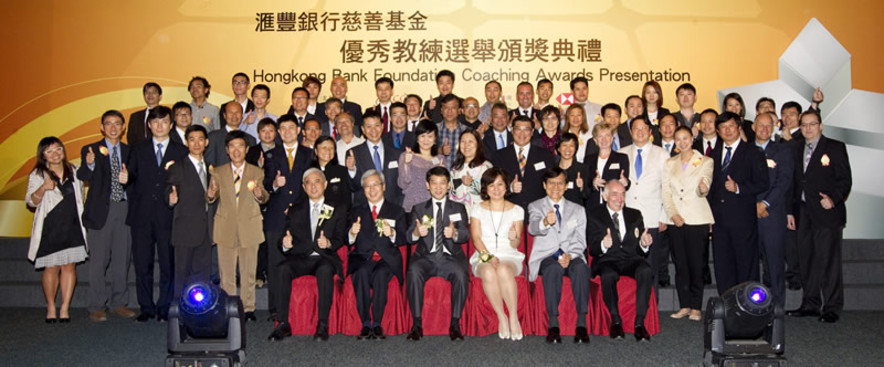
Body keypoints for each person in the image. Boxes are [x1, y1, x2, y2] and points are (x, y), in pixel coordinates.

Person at [267, 168, 348, 341]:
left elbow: (341, 238)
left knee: (325, 270)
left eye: (317, 181)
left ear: (325, 184)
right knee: (282, 269)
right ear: (303, 187)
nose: (313, 186)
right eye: (308, 183)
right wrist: (285, 244)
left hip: (324, 257)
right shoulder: (295, 210)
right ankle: (283, 323)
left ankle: (323, 324)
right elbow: (283, 237)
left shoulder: (337, 208)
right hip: (300, 257)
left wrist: (329, 243)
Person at [786, 110, 851, 323]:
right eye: (804, 125)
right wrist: (789, 211)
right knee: (807, 261)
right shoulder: (795, 148)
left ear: (820, 126)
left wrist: (833, 198)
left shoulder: (834, 147)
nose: (808, 128)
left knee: (828, 261)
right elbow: (792, 183)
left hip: (826, 212)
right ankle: (810, 303)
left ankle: (831, 306)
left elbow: (845, 179)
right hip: (802, 212)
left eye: (812, 124)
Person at [126, 106, 188, 322]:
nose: (160, 126)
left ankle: (164, 306)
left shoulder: (181, 151)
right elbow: (131, 177)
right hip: (141, 216)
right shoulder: (137, 149)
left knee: (168, 263)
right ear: (149, 125)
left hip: (168, 215)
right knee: (142, 264)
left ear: (171, 125)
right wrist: (126, 179)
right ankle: (146, 307)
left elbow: (184, 182)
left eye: (164, 122)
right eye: (155, 122)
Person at [78, 110, 136, 322]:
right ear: (102, 127)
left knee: (122, 258)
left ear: (123, 128)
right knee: (99, 261)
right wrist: (91, 164)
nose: (113, 127)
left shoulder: (130, 151)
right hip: (100, 211)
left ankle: (119, 302)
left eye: (117, 124)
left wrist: (129, 178)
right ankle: (96, 305)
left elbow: (137, 179)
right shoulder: (90, 149)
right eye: (108, 124)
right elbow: (82, 175)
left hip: (124, 208)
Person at [206, 130, 269, 322]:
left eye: (240, 146)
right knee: (227, 274)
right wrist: (210, 194)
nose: (236, 150)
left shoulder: (256, 171)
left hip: (249, 226)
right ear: (227, 149)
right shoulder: (218, 171)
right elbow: (211, 197)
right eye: (232, 146)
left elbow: (264, 197)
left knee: (249, 271)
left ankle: (248, 308)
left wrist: (259, 194)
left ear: (246, 149)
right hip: (225, 226)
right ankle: (229, 307)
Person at [26, 137, 88, 323]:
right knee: (51, 268)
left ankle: (65, 308)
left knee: (69, 267)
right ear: (43, 155)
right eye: (50, 151)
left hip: (72, 225)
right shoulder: (37, 174)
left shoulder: (75, 170)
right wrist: (43, 188)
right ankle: (51, 306)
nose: (55, 153)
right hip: (50, 226)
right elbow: (31, 201)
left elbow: (81, 197)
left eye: (58, 149)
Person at [405, 166, 471, 341]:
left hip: (450, 257)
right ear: (427, 185)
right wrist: (417, 233)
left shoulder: (458, 208)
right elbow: (409, 236)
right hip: (426, 257)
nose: (438, 187)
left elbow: (465, 234)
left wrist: (455, 234)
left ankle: (455, 324)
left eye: (443, 183)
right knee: (413, 271)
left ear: (449, 185)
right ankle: (417, 324)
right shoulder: (418, 209)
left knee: (460, 273)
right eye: (434, 183)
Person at [708, 112, 770, 295]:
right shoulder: (713, 153)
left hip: (743, 220)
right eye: (723, 127)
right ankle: (728, 307)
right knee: (723, 268)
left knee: (746, 267)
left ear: (738, 128)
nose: (727, 130)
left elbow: (762, 182)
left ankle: (748, 308)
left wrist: (738, 188)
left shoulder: (752, 152)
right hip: (719, 221)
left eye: (731, 126)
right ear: (718, 131)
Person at [528, 167, 591, 344]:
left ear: (566, 186)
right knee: (553, 269)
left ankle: (581, 324)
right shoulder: (536, 206)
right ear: (544, 185)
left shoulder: (578, 209)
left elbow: (580, 240)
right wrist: (545, 222)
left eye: (560, 183)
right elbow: (532, 228)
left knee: (581, 269)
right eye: (551, 183)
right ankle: (553, 325)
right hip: (546, 256)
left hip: (572, 255)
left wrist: (570, 255)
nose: (555, 187)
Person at [587, 180, 655, 341]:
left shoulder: (635, 214)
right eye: (615, 194)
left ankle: (639, 323)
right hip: (607, 260)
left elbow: (640, 250)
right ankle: (615, 321)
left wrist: (644, 244)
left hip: (631, 259)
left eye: (623, 194)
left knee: (645, 270)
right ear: (605, 196)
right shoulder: (594, 214)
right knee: (608, 274)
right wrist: (604, 244)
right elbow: (594, 249)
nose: (619, 199)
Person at [261, 114, 313, 322]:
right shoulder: (271, 155)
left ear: (298, 130)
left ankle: (297, 306)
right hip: (276, 217)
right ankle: (275, 308)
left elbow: (314, 185)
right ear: (279, 132)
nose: (288, 131)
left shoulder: (309, 154)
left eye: (291, 127)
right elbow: (265, 186)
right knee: (275, 264)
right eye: (283, 128)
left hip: (301, 217)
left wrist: (297, 210)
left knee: (299, 261)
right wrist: (274, 185)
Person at [661, 126, 714, 321]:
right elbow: (665, 191)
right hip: (676, 220)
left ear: (692, 139)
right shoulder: (669, 162)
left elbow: (706, 183)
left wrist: (703, 188)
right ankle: (684, 305)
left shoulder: (705, 161)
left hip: (697, 218)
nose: (682, 142)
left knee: (696, 264)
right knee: (680, 264)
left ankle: (696, 306)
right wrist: (673, 214)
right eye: (678, 139)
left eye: (685, 138)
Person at [347, 170, 406, 340]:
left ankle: (378, 323)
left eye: (375, 185)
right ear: (363, 189)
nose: (372, 189)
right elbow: (344, 239)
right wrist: (352, 233)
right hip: (362, 258)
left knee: (380, 274)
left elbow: (403, 239)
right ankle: (365, 322)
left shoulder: (396, 210)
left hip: (386, 259)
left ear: (384, 186)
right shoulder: (355, 211)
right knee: (362, 273)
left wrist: (392, 233)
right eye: (367, 186)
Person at [470, 167, 525, 340]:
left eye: (500, 184)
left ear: (506, 187)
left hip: (509, 254)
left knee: (502, 269)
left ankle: (514, 317)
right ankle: (502, 317)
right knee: (487, 270)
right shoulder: (477, 209)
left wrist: (513, 237)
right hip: (483, 255)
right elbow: (476, 238)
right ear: (485, 188)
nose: (496, 189)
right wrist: (488, 257)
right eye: (491, 185)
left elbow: (516, 243)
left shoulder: (517, 210)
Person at [619, 116, 669, 288]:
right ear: (630, 132)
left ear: (650, 131)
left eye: (643, 128)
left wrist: (664, 215)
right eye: (636, 128)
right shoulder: (621, 153)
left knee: (651, 266)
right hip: (628, 218)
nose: (640, 132)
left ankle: (652, 310)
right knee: (631, 267)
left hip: (653, 217)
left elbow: (667, 187)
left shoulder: (661, 153)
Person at [165, 125, 214, 302]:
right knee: (182, 277)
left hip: (206, 231)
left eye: (200, 139)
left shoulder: (212, 168)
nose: (196, 143)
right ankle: (179, 314)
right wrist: (171, 199)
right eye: (192, 139)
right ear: (186, 143)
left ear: (206, 142)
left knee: (203, 278)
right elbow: (168, 190)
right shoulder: (177, 167)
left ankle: (200, 314)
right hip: (184, 231)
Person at [752, 112, 794, 308]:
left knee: (775, 264)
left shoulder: (782, 151)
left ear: (774, 127)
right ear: (753, 126)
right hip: (748, 215)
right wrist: (753, 204)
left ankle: (777, 308)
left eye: (769, 126)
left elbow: (783, 181)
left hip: (772, 215)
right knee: (751, 265)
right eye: (760, 125)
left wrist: (764, 204)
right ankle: (752, 307)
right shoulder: (744, 150)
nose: (764, 129)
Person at [492, 116, 556, 210]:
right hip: (509, 210)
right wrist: (510, 188)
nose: (522, 134)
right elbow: (493, 185)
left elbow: (552, 183)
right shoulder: (499, 156)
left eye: (526, 129)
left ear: (532, 132)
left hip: (538, 211)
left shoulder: (545, 155)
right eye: (518, 129)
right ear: (512, 130)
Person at [346, 110, 403, 208]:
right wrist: (351, 170)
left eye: (377, 126)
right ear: (363, 129)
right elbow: (353, 187)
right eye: (369, 127)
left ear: (382, 127)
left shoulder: (396, 153)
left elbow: (402, 185)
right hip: (364, 207)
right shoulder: (354, 153)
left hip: (392, 207)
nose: (373, 130)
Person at [398, 120, 446, 213]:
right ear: (417, 138)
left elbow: (445, 187)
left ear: (435, 139)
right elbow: (403, 184)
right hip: (412, 208)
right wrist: (406, 164)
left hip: (434, 208)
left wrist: (441, 172)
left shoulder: (440, 159)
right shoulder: (407, 155)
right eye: (422, 136)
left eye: (430, 136)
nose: (426, 140)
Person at [583, 124, 630, 208]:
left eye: (607, 135)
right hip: (593, 205)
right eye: (600, 136)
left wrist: (625, 182)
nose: (604, 139)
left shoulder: (622, 158)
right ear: (595, 140)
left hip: (615, 204)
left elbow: (626, 181)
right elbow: (585, 185)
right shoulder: (588, 159)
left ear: (612, 138)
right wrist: (593, 182)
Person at [449, 129, 492, 210]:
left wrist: (472, 183)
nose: (466, 145)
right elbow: (452, 195)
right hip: (458, 215)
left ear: (478, 144)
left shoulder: (486, 167)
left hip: (479, 215)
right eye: (463, 141)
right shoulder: (456, 168)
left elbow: (492, 191)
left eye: (470, 141)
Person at [206, 101, 256, 167]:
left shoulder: (251, 140)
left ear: (242, 116)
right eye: (230, 112)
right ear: (224, 115)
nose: (234, 115)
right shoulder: (212, 137)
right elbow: (208, 163)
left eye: (237, 112)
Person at [312, 135, 351, 210]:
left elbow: (346, 200)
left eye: (331, 148)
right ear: (316, 151)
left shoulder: (342, 171)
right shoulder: (310, 172)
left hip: (337, 215)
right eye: (324, 148)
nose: (328, 151)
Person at [436, 94, 467, 169]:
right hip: (438, 176)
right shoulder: (433, 129)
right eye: (446, 107)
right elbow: (426, 156)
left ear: (459, 110)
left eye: (453, 107)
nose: (449, 111)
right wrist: (440, 151)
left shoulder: (467, 131)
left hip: (462, 177)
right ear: (441, 111)